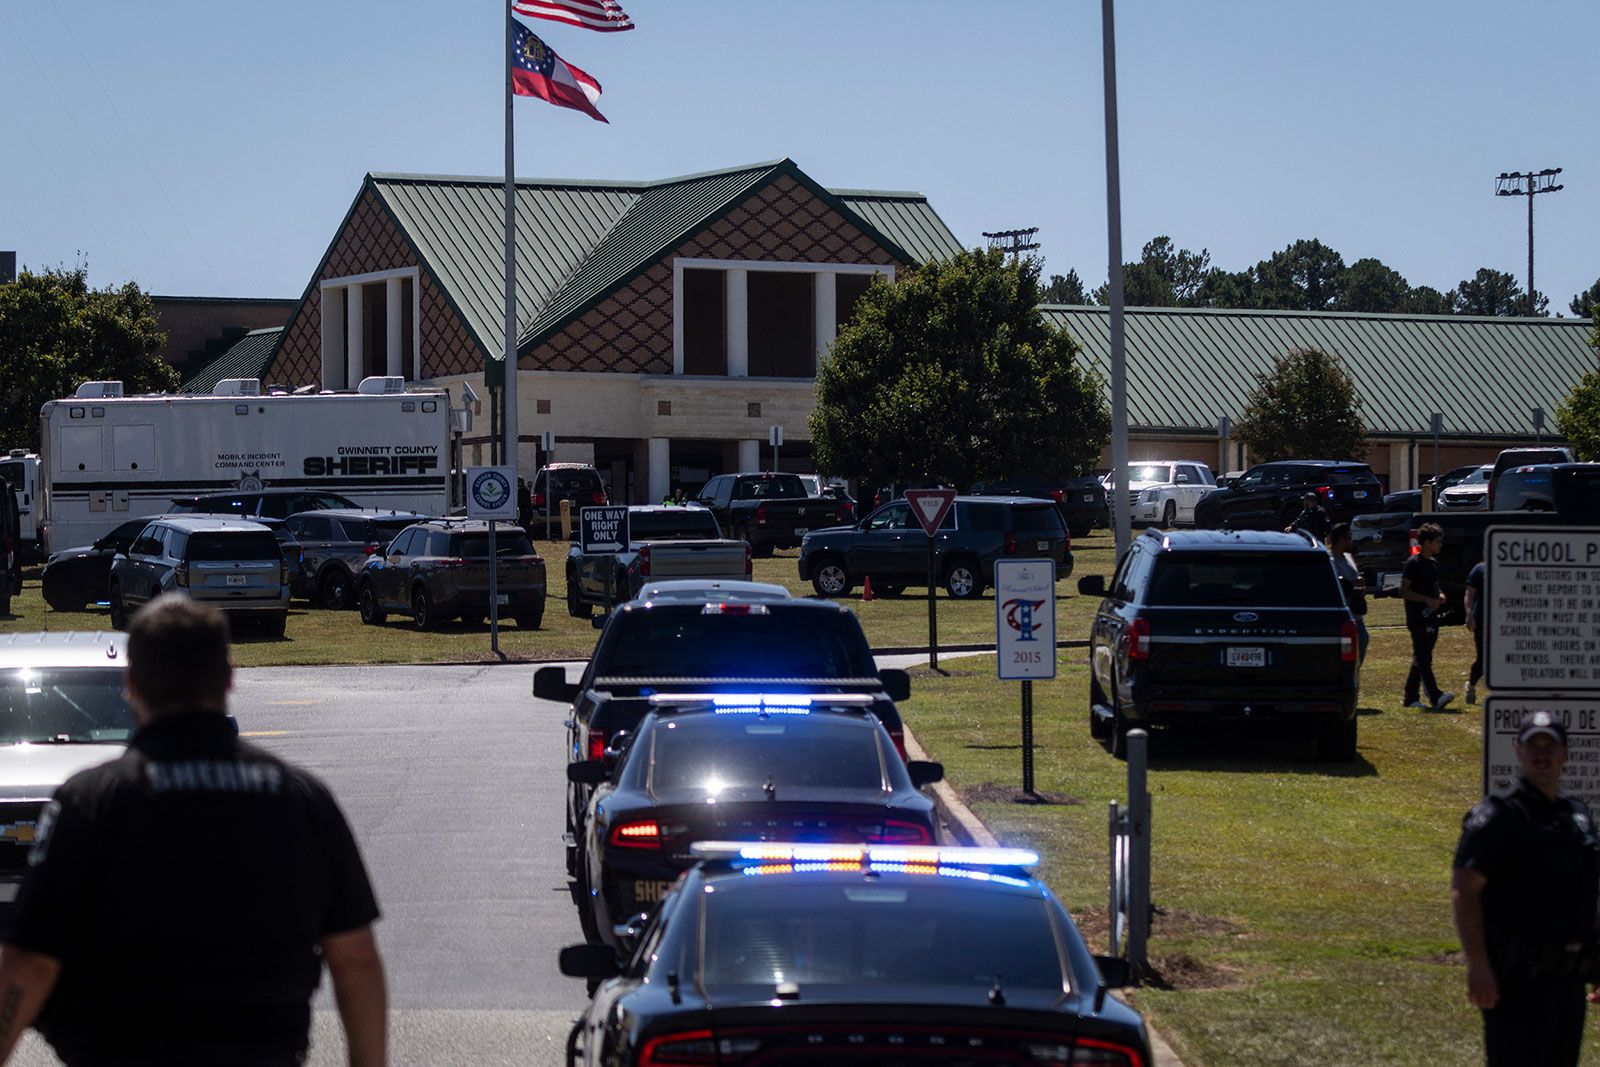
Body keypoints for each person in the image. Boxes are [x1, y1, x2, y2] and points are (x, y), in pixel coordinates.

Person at [0, 595, 387, 1066]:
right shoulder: (300, 798)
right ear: (228, 678)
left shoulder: (92, 802)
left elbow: (31, 962)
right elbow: (356, 958)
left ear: (132, 684)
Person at [1452, 710, 1600, 1066]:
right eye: (1533, 745)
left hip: (1569, 983)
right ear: (1518, 750)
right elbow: (1465, 890)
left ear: (1565, 753)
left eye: (1550, 746)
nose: (1542, 754)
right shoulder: (1500, 815)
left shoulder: (1576, 816)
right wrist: (1478, 965)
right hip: (1518, 981)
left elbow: (1587, 894)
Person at [1401, 522, 1454, 710]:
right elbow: (1404, 591)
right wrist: (1425, 599)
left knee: (1421, 656)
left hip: (1431, 616)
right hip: (1417, 617)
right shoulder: (1413, 563)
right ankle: (1435, 696)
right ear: (1427, 542)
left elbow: (1433, 585)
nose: (1440, 545)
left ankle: (1410, 697)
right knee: (1423, 657)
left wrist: (1438, 595)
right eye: (1437, 541)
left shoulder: (1433, 564)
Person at [1327, 523, 1368, 664]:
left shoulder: (1348, 557)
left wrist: (1361, 584)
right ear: (1340, 539)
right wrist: (1351, 584)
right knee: (1346, 650)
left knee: (1363, 640)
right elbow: (1335, 585)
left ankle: (1353, 674)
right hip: (1343, 616)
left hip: (1356, 613)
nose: (1350, 540)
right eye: (1348, 537)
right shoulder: (1329, 560)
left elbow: (1355, 577)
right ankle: (1346, 675)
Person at [1465, 560, 1486, 705]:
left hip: (1503, 621)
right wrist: (1469, 614)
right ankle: (1471, 685)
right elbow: (1470, 594)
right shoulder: (1479, 569)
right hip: (1482, 619)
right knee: (1483, 659)